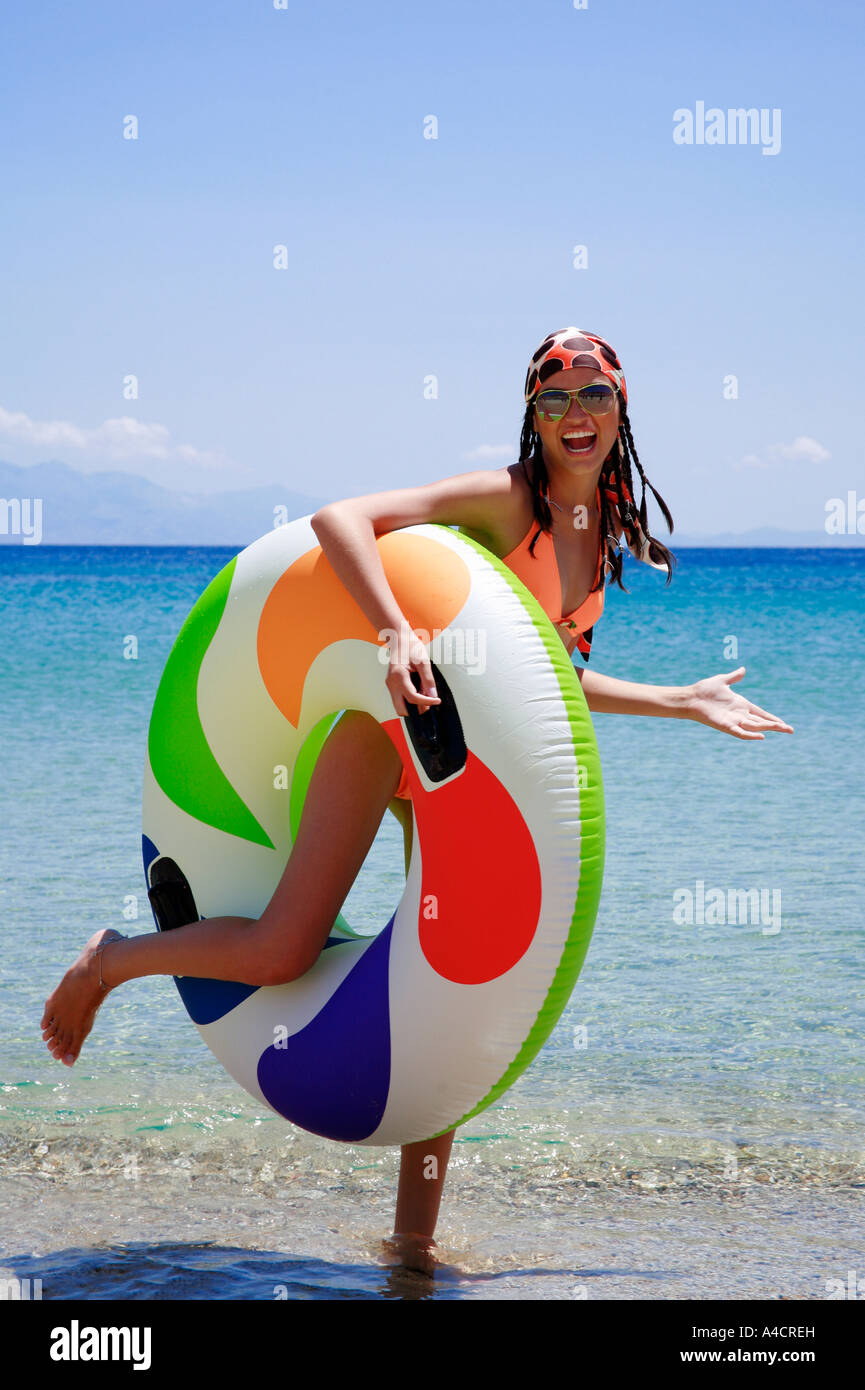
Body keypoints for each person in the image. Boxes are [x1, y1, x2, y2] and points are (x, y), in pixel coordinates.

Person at [41, 327, 793, 1273]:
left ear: (621, 408)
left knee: (438, 998)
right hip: (381, 728)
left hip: (456, 774)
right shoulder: (506, 499)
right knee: (282, 949)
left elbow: (539, 687)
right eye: (554, 397)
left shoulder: (596, 542)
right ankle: (113, 961)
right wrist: (395, 634)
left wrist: (676, 700)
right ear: (532, 413)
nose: (575, 415)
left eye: (593, 395)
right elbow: (337, 519)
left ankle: (410, 1252)